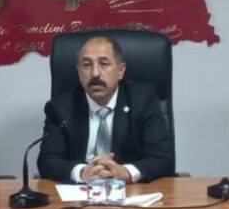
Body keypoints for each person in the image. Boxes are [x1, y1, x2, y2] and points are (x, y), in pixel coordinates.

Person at [37, 35, 174, 183]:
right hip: (79, 192)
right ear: (78, 71)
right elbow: (47, 161)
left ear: (120, 71)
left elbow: (163, 159)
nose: (95, 73)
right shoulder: (60, 108)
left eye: (104, 63)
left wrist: (126, 172)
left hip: (129, 191)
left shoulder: (143, 101)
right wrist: (82, 172)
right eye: (87, 65)